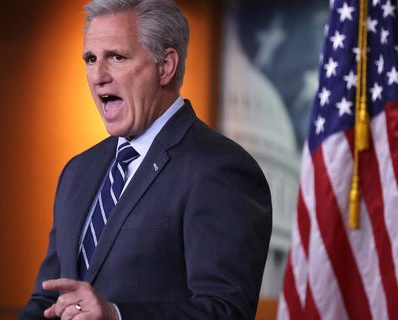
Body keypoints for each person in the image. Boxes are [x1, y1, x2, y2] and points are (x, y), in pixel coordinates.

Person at [18, 0, 272, 319]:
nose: (98, 75)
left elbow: (226, 311)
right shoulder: (78, 170)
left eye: (117, 57)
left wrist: (116, 314)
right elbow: (47, 300)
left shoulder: (219, 168)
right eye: (91, 59)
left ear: (165, 66)